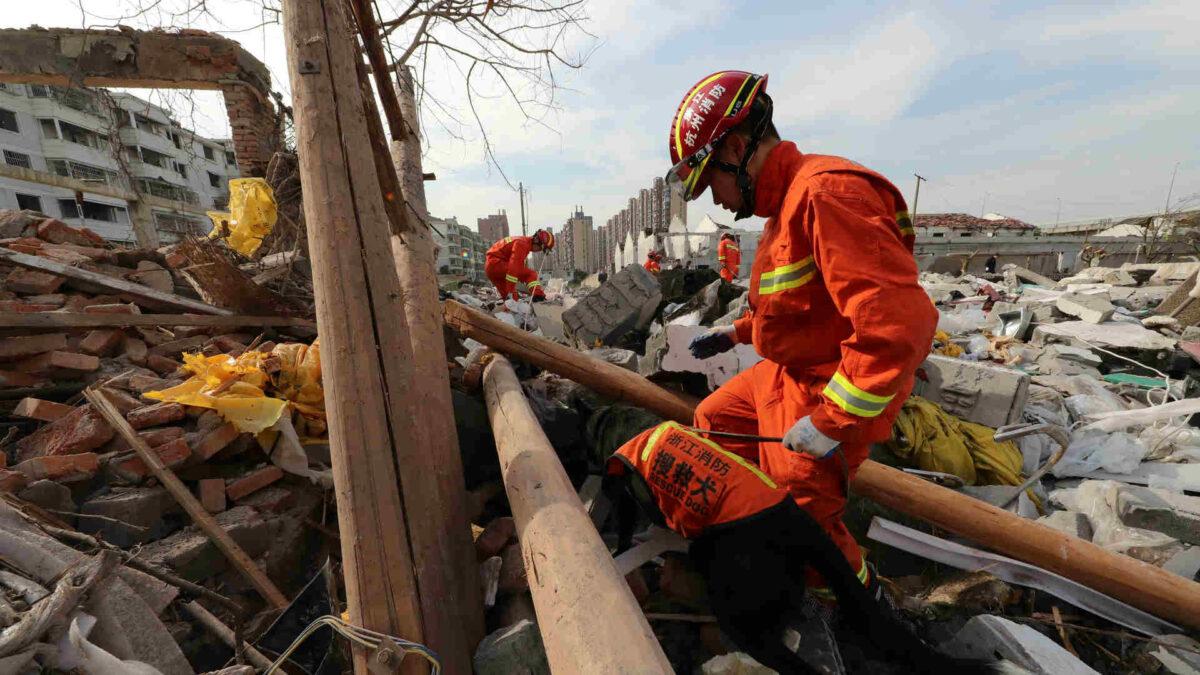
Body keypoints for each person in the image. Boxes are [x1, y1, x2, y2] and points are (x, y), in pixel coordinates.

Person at [667, 70, 937, 603]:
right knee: (715, 420)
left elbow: (897, 328)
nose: (713, 200)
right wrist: (735, 334)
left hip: (831, 386)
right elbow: (799, 312)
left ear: (738, 149)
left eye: (711, 182)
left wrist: (830, 423)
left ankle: (860, 608)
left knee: (804, 518)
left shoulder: (827, 194)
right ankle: (755, 527)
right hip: (787, 371)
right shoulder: (782, 210)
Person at [602, 421, 1001, 674]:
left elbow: (632, 513)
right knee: (858, 606)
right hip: (781, 511)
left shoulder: (625, 462)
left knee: (744, 632)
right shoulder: (669, 432)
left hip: (747, 536)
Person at [485, 229, 554, 303]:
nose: (539, 250)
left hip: (491, 267)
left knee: (510, 303)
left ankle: (509, 309)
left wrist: (511, 296)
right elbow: (514, 269)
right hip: (498, 264)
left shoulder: (522, 241)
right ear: (536, 239)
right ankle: (538, 297)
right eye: (541, 248)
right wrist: (510, 291)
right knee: (531, 274)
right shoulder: (522, 244)